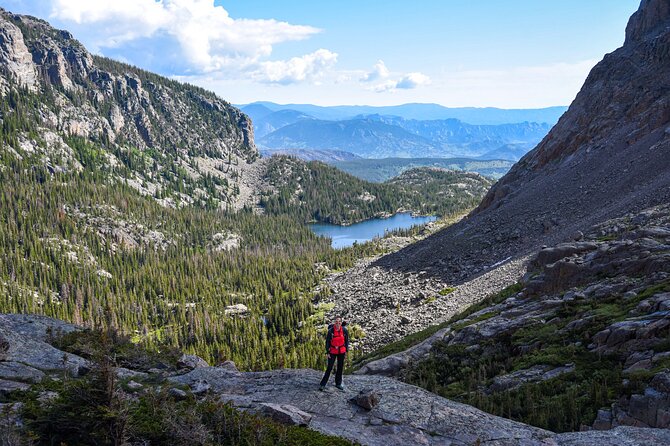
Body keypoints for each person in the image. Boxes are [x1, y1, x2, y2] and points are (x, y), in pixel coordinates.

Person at [319, 316, 349, 391]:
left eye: (339, 322)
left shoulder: (345, 330)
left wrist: (346, 351)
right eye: (336, 322)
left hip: (341, 351)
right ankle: (323, 384)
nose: (338, 323)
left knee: (340, 367)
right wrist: (328, 352)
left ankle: (338, 383)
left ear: (341, 322)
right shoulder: (331, 331)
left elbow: (346, 341)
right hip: (332, 351)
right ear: (334, 322)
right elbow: (327, 342)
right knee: (329, 368)